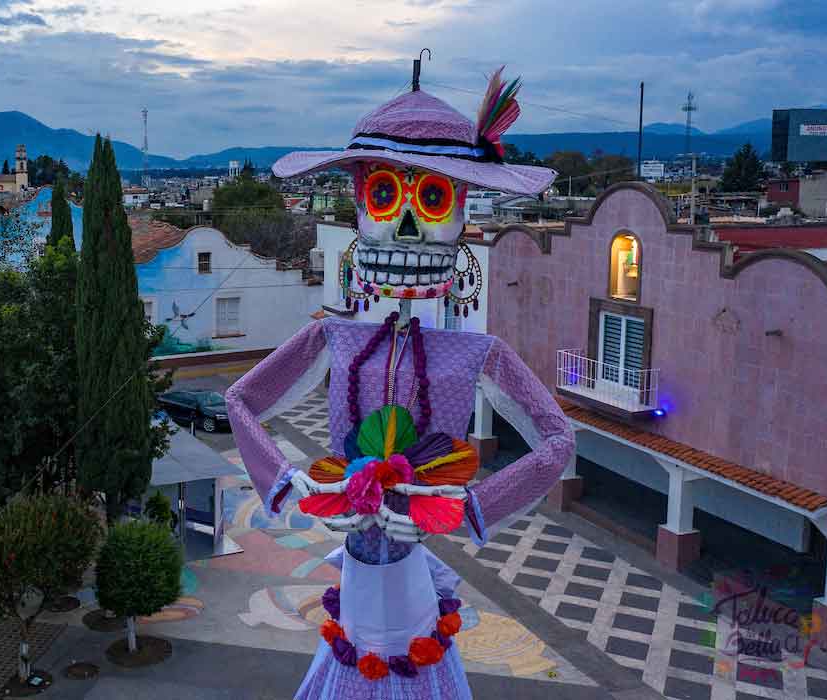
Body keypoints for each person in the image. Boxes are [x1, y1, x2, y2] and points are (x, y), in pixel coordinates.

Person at [227, 63, 571, 699]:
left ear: (461, 210)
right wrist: (287, 478)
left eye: (433, 198)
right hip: (357, 568)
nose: (406, 227)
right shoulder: (334, 338)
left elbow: (558, 439)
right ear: (360, 203)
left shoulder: (477, 352)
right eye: (385, 194)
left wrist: (470, 506)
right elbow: (240, 398)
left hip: (412, 569)